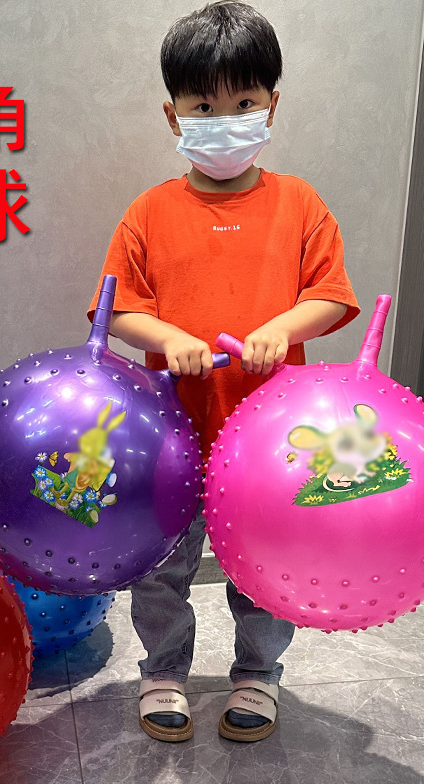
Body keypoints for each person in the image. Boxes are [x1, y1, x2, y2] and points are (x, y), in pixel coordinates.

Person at [87, 1, 359, 743]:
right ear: (173, 114)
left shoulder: (299, 203)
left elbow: (332, 296)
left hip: (273, 438)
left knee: (265, 566)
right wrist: (167, 336)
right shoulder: (149, 211)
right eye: (204, 107)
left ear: (273, 104)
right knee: (162, 570)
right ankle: (164, 673)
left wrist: (280, 329)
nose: (225, 119)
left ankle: (258, 676)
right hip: (169, 437)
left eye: (244, 103)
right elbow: (115, 310)